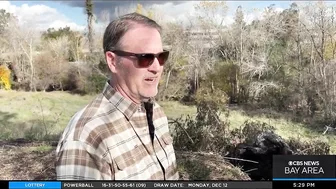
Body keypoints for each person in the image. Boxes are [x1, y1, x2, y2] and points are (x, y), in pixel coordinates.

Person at [55, 12, 179, 180]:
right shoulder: (86, 138)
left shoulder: (156, 112)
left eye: (161, 56)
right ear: (113, 61)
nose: (157, 67)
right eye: (145, 58)